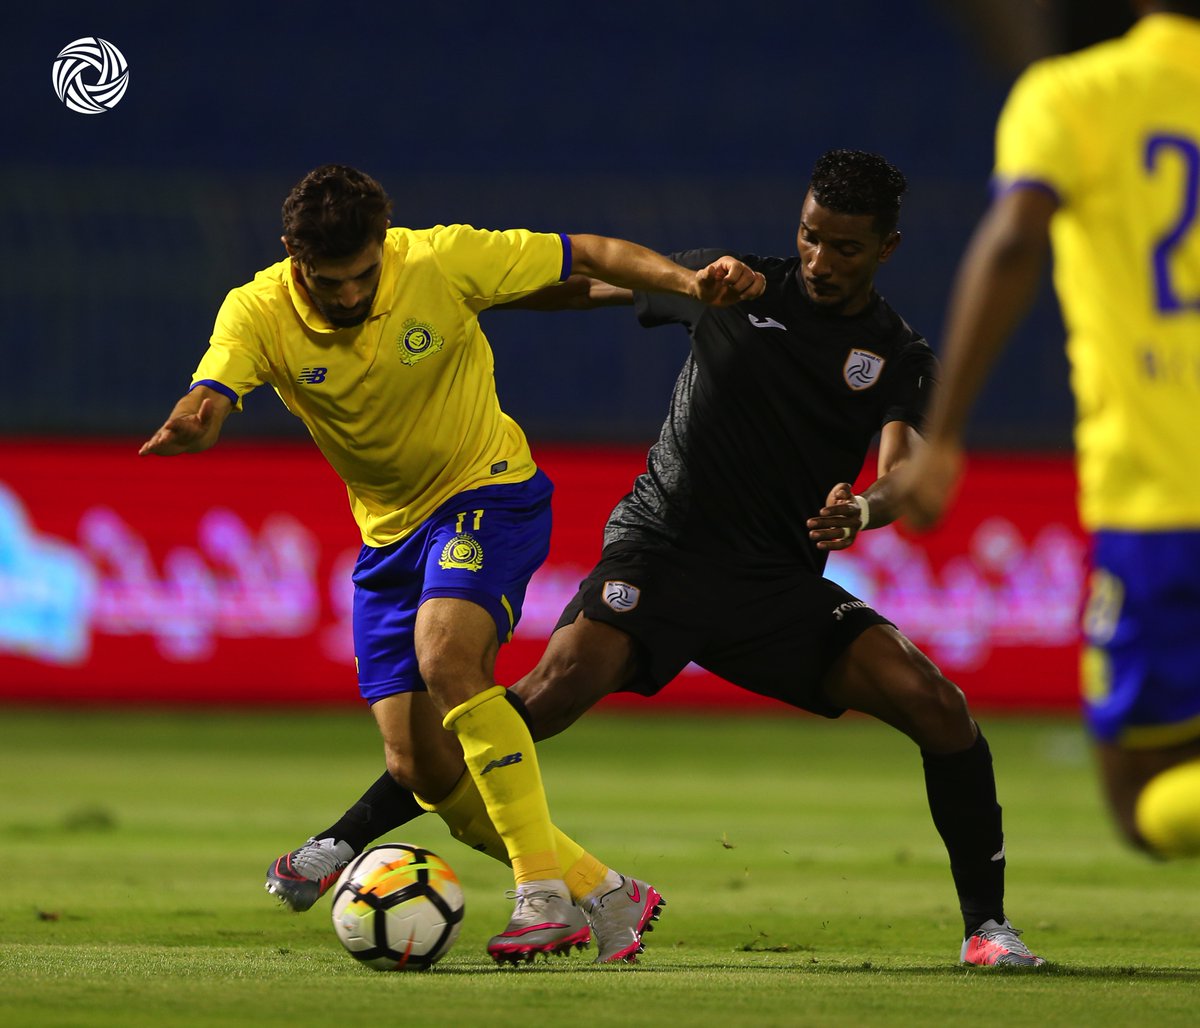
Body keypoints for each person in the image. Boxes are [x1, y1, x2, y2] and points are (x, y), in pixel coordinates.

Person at [272, 150, 1047, 968]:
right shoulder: (734, 285)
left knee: (937, 706)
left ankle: (986, 930)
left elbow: (902, 470)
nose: (821, 260)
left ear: (886, 248)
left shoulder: (894, 354)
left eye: (846, 248)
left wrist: (861, 509)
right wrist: (475, 294)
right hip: (660, 552)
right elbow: (593, 282)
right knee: (536, 703)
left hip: (771, 586)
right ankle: (339, 840)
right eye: (811, 237)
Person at [139, 163, 765, 965]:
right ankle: (607, 892)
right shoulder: (256, 311)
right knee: (423, 768)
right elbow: (215, 386)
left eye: (365, 273)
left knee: (448, 659)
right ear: (296, 257)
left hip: (487, 494)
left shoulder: (437, 259)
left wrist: (686, 282)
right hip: (387, 541)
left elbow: (592, 252)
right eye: (334, 281)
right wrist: (200, 417)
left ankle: (541, 896)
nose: (353, 293)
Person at [895, 2, 1200, 861]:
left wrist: (943, 434)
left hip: (1163, 499)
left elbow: (1011, 239)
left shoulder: (1076, 94)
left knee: (1142, 797)